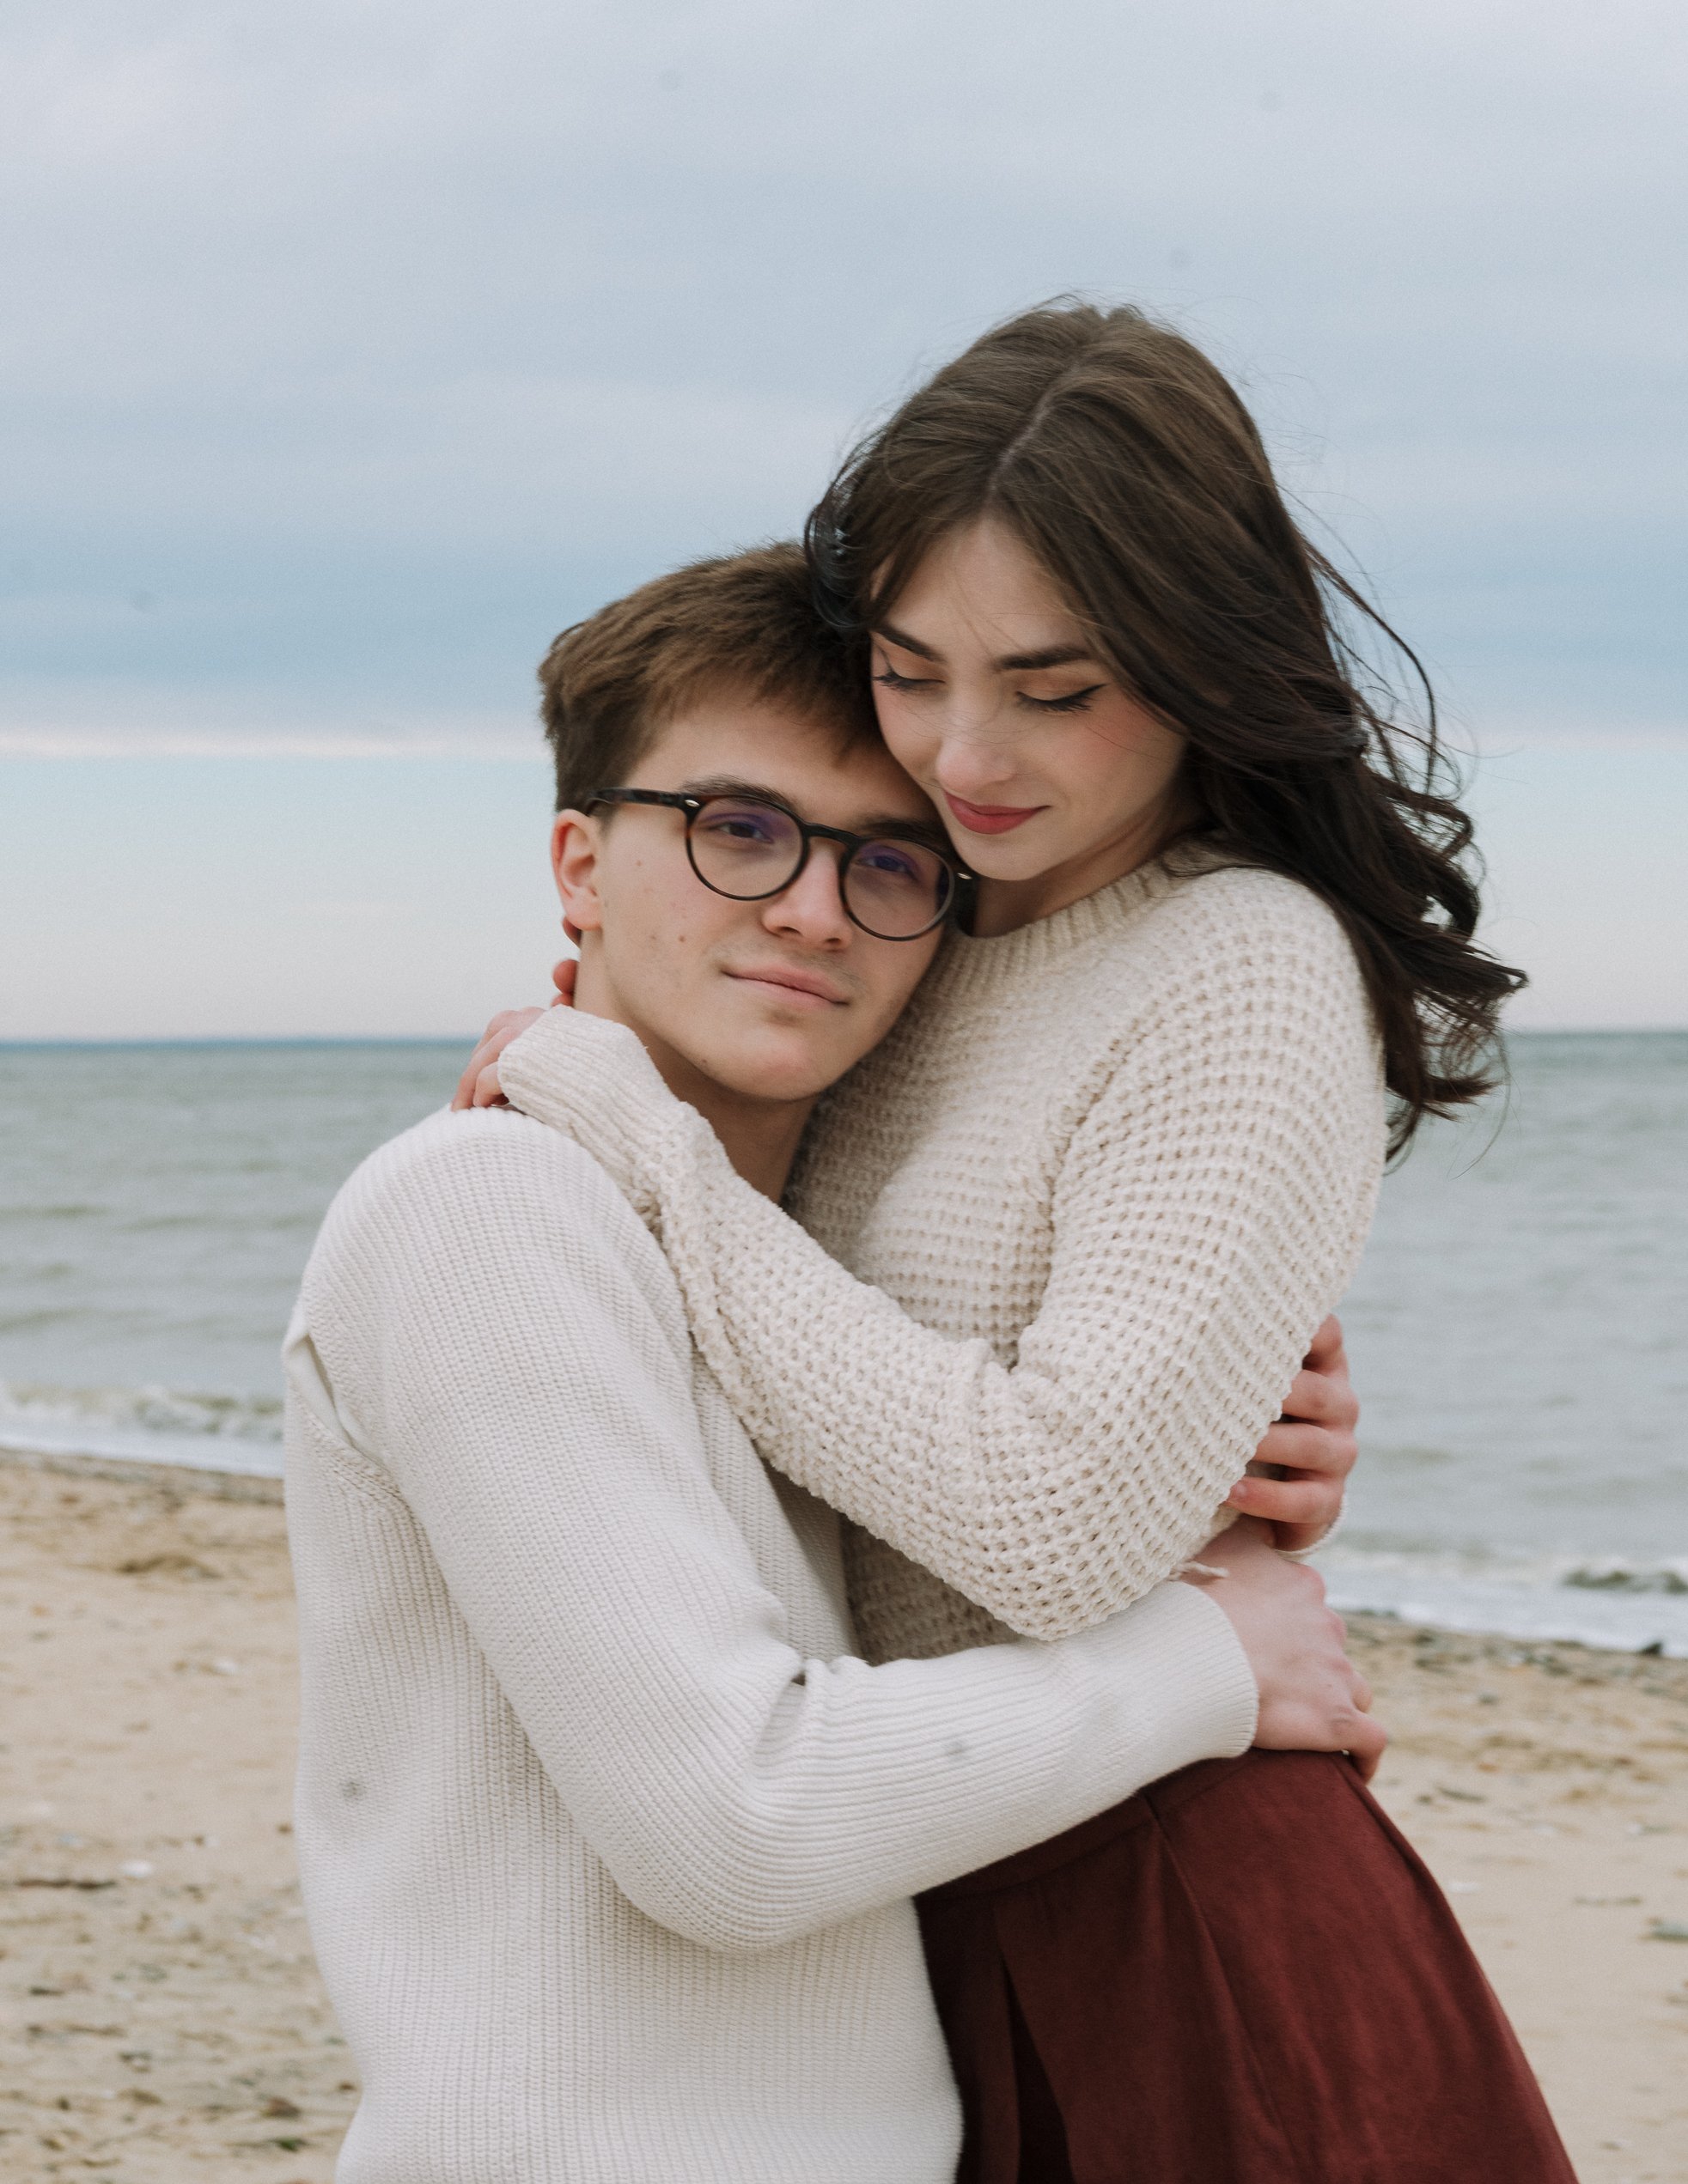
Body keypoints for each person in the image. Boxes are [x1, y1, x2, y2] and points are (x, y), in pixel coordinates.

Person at [460, 307, 1575, 2180]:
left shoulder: (1237, 962)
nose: (964, 754)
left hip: (1172, 1909)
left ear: (1200, 663)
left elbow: (1050, 1530)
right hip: (911, 1885)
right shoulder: (914, 928)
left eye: (1054, 691)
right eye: (909, 670)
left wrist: (640, 1146)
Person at [287, 543, 1376, 2184]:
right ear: (578, 863)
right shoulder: (491, 1201)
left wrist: (1219, 1426)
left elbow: (990, 1464)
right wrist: (1217, 1663)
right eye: (736, 829)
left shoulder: (755, 1270)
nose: (808, 906)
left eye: (886, 862)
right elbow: (736, 1820)